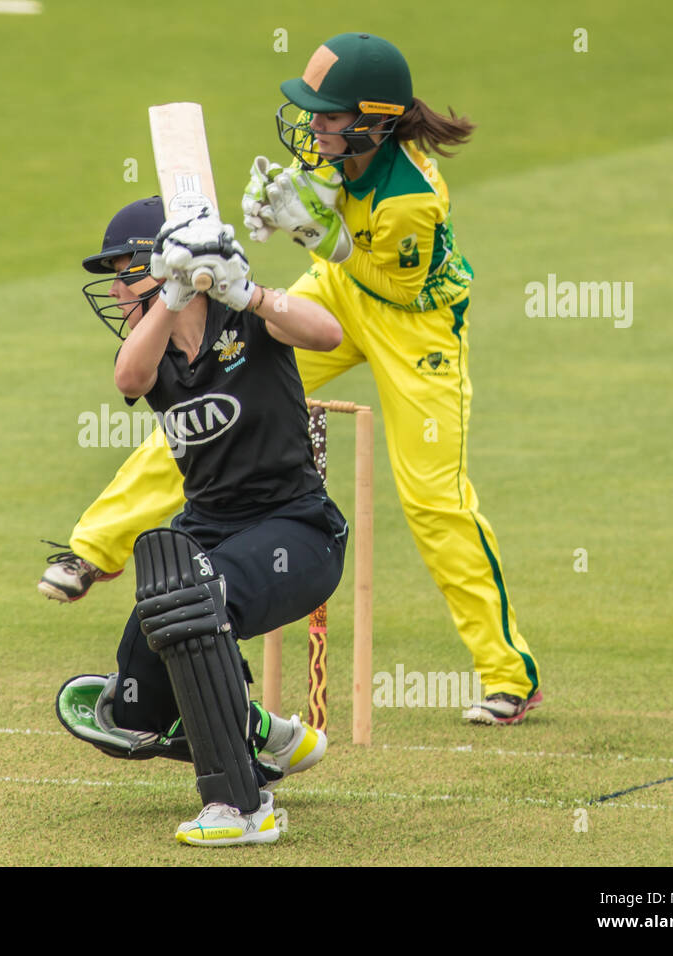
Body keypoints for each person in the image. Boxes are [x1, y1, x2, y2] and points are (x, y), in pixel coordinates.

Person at [43, 33, 542, 726]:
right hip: (337, 295)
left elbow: (387, 280)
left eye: (329, 117)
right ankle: (94, 549)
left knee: (434, 499)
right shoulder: (338, 146)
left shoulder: (411, 202)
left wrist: (320, 238)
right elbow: (322, 214)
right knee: (212, 399)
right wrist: (275, 207)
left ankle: (507, 671)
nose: (314, 127)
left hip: (418, 328)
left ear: (372, 121)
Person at [56, 196, 348, 846]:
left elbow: (327, 333)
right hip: (208, 530)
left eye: (124, 271)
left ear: (159, 266)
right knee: (135, 709)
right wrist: (171, 292)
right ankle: (261, 734)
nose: (115, 288)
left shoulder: (247, 322)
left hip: (297, 532)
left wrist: (250, 292)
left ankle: (242, 806)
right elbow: (127, 376)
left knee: (195, 596)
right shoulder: (153, 351)